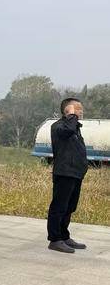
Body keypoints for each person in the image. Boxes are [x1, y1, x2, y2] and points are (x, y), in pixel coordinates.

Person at [47, 98, 88, 254]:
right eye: (77, 108)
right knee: (59, 207)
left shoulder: (74, 128)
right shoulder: (59, 126)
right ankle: (55, 239)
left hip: (75, 173)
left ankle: (64, 236)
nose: (80, 111)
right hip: (64, 172)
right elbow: (66, 132)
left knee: (70, 207)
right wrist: (71, 116)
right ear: (68, 110)